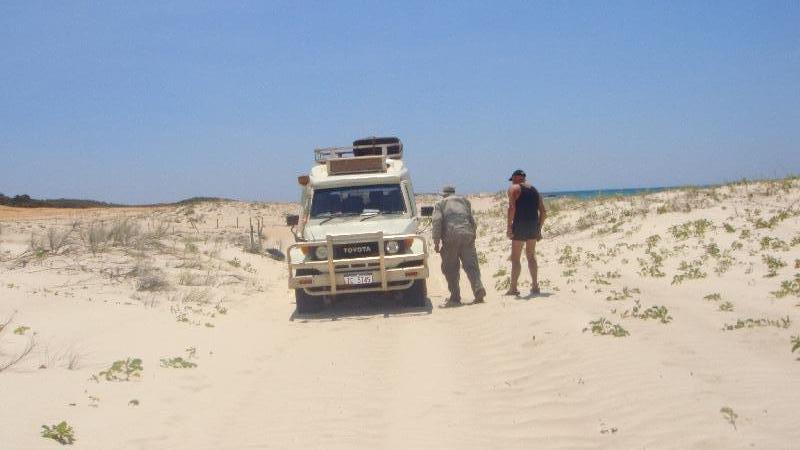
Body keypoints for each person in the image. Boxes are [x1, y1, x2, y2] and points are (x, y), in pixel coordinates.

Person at [432, 185, 486, 307]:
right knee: (471, 265)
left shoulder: (440, 204)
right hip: (467, 234)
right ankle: (478, 289)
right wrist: (472, 235)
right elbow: (472, 221)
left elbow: (437, 222)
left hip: (450, 237)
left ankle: (455, 296)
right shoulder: (464, 201)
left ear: (444, 194)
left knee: (450, 268)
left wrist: (436, 242)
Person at [506, 169, 547, 296]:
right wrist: (538, 228)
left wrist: (509, 226)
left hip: (520, 225)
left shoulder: (514, 188)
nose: (512, 181)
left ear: (516, 178)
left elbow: (512, 208)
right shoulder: (535, 191)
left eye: (512, 179)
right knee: (531, 256)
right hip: (533, 225)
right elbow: (544, 212)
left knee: (515, 258)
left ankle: (513, 288)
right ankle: (535, 286)